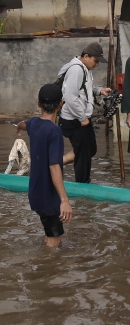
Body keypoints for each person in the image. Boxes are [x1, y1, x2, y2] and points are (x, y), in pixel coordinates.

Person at [16, 84, 72, 248]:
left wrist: (18, 128)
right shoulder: (54, 131)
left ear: (38, 103)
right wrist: (64, 200)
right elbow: (54, 166)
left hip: (35, 193)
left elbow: (23, 123)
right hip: (49, 196)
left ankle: (45, 263)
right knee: (55, 240)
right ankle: (47, 270)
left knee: (51, 235)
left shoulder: (34, 124)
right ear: (61, 104)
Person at [56, 42, 111, 183]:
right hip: (73, 119)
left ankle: (55, 164)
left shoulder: (84, 69)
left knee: (90, 149)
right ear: (86, 56)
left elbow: (85, 87)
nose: (97, 64)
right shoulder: (76, 70)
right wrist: (81, 117)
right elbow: (70, 96)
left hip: (80, 117)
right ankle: (82, 183)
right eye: (96, 60)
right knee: (83, 153)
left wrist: (99, 90)